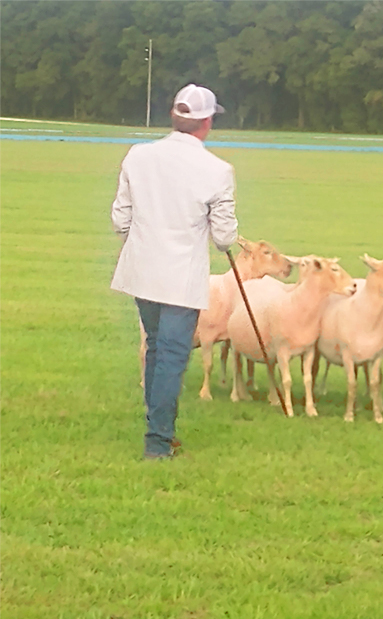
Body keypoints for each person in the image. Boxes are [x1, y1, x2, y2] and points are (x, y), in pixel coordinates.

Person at [110, 84, 238, 460]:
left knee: (154, 347)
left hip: (141, 271)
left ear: (174, 116)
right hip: (181, 279)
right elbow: (224, 236)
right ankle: (158, 441)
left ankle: (161, 427)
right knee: (171, 355)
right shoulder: (218, 170)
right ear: (207, 122)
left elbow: (120, 219)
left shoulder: (137, 156)